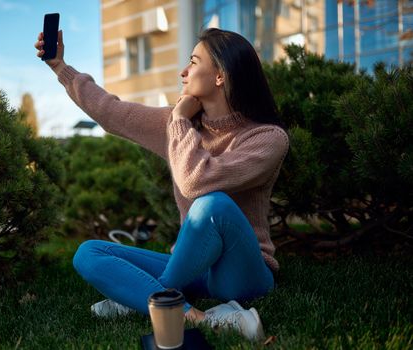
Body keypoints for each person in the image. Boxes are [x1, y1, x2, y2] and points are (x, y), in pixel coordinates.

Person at [35, 27, 289, 341]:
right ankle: (195, 316)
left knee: (213, 205)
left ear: (220, 75)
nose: (184, 71)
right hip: (195, 270)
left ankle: (147, 295)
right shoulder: (175, 123)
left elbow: (197, 182)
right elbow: (111, 111)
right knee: (88, 253)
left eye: (194, 62)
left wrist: (181, 119)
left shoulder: (267, 139)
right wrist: (61, 68)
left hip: (242, 274)